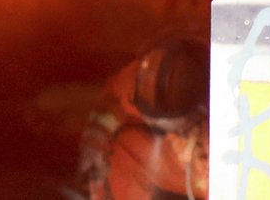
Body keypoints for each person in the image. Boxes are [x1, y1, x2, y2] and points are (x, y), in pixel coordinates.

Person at [76, 36, 210, 200]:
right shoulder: (154, 74)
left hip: (201, 172)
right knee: (123, 153)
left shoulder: (222, 138)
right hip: (177, 157)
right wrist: (95, 140)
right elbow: (116, 99)